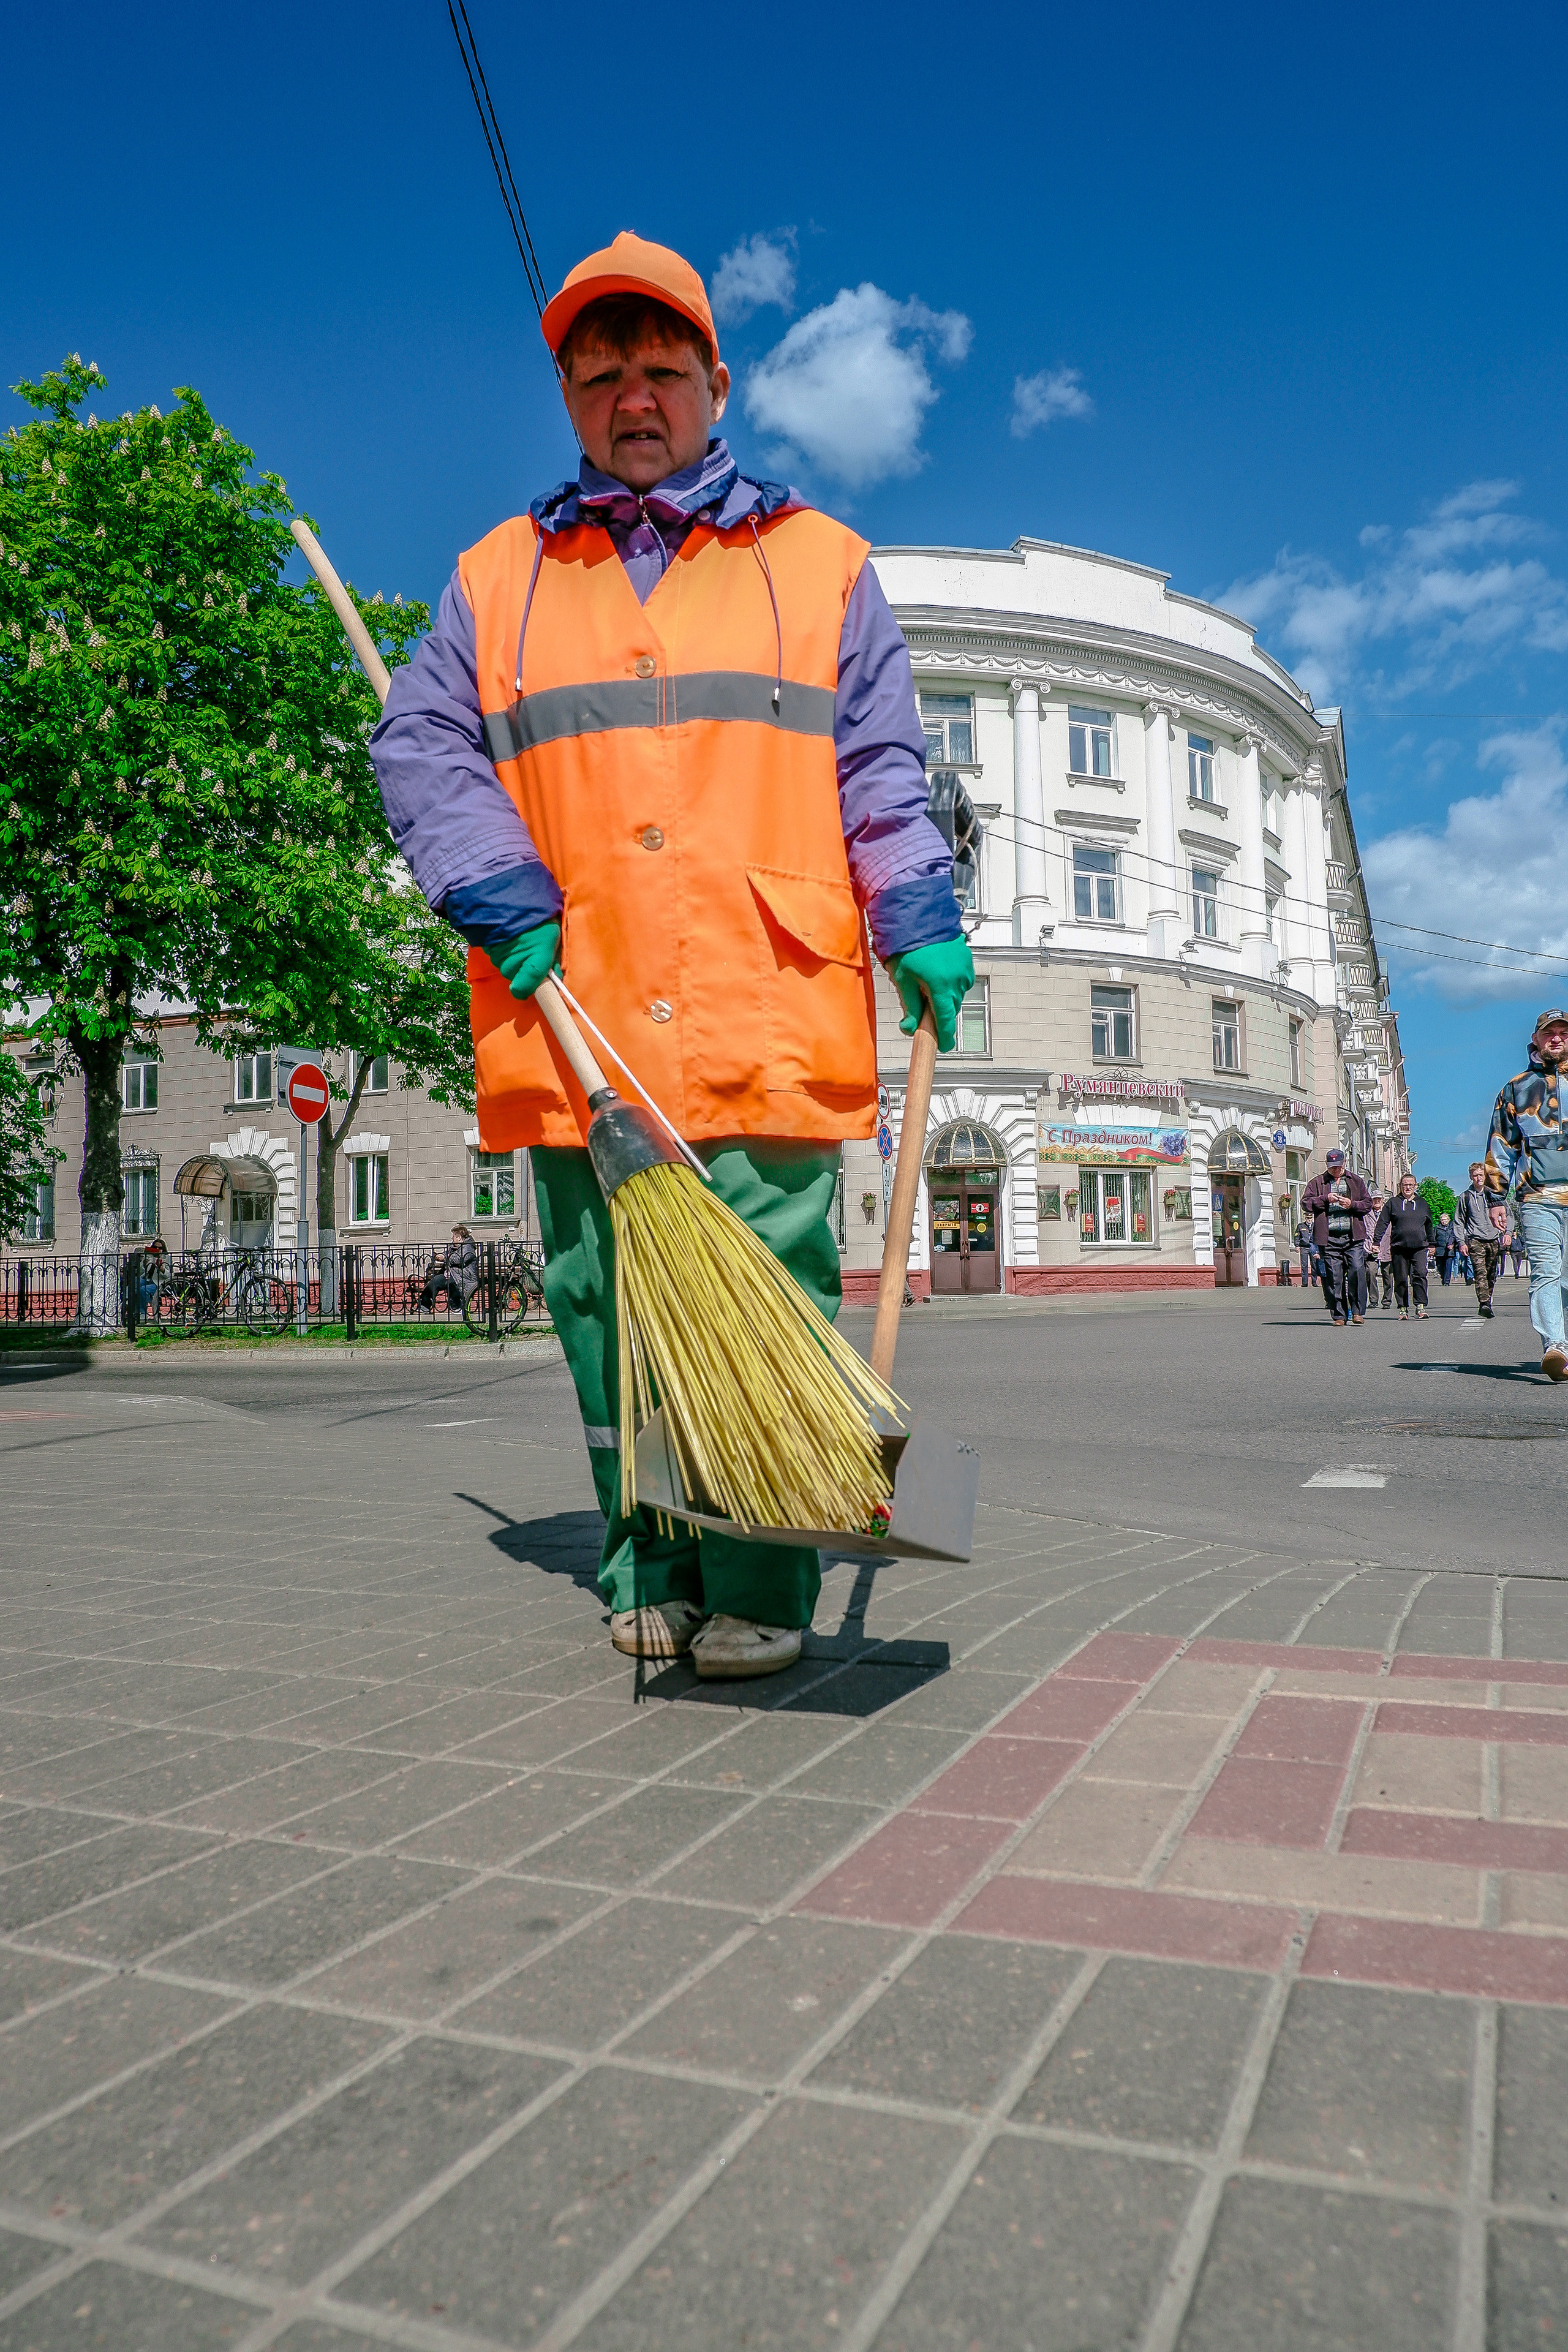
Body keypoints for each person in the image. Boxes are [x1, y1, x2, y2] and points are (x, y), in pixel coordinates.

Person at [369, 233, 970, 1677]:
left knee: (764, 1284)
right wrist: (489, 878)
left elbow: (879, 767)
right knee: (604, 1299)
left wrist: (919, 911)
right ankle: (645, 1550)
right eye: (599, 374)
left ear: (713, 380)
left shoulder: (818, 564)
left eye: (658, 369)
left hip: (763, 992)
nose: (632, 396)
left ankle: (759, 1572)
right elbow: (419, 744)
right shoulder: (495, 578)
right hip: (570, 998)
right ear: (568, 395)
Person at [1485, 1008, 1568, 1381]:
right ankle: (1556, 1347)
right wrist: (1495, 1198)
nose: (1557, 1039)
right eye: (1549, 1033)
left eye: (1564, 1033)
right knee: (1546, 1271)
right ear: (1535, 1039)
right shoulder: (1517, 1089)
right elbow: (1501, 1146)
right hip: (1537, 1198)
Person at [1298, 1148, 1374, 1325]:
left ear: (1345, 1164)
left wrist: (1352, 1204)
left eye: (1339, 1167)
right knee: (1334, 1277)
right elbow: (1306, 1203)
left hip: (1352, 1237)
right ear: (1327, 1166)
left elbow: (1368, 1204)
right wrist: (1325, 1199)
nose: (1336, 1170)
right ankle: (1339, 1316)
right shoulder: (1317, 1183)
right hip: (1329, 1238)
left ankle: (1357, 1312)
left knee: (1357, 1270)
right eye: (1332, 1167)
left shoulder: (1355, 1181)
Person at [1374, 1174, 1434, 1320]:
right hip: (1399, 1247)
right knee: (1401, 1278)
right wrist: (1376, 1242)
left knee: (1420, 1275)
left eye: (1411, 1185)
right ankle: (1403, 1308)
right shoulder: (1393, 1203)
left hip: (1419, 1247)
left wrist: (1432, 1244)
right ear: (1400, 1186)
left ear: (1415, 1186)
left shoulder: (1422, 1203)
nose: (1408, 1188)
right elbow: (1382, 1222)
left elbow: (1429, 1224)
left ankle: (1420, 1306)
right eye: (1405, 1185)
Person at [1454, 1161, 1506, 1318]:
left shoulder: (1494, 1194)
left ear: (1486, 1176)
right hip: (1475, 1239)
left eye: (1481, 1175)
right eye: (1475, 1176)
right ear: (1471, 1177)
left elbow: (1507, 1215)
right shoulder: (1466, 1197)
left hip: (1494, 1238)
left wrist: (1508, 1233)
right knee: (1480, 1273)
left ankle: (1487, 1302)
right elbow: (1459, 1220)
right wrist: (1461, 1242)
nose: (1478, 1178)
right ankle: (1484, 1303)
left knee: (1491, 1274)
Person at [1364, 1190, 1394, 1310]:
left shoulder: (1388, 1213)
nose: (1377, 1201)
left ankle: (1387, 1301)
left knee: (1388, 1276)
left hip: (1387, 1247)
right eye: (1375, 1199)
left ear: (1383, 1200)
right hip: (1370, 1248)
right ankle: (1373, 1300)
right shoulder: (1366, 1213)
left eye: (1379, 1199)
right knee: (1370, 1273)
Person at [1434, 1210, 1460, 1285]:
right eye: (1442, 1220)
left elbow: (1454, 1236)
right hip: (1440, 1249)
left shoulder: (1452, 1227)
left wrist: (1451, 1243)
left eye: (1445, 1220)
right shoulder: (1437, 1227)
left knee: (1448, 1266)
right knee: (1440, 1266)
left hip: (1450, 1249)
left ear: (1448, 1220)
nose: (1444, 1221)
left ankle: (1447, 1282)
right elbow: (1433, 1237)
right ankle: (1443, 1277)